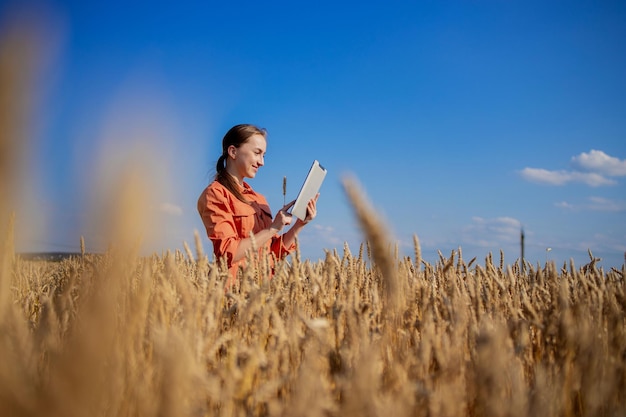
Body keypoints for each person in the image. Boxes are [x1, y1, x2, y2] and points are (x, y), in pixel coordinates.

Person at [197, 124, 318, 286]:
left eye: (264, 155)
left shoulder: (259, 199)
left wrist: (300, 224)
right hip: (235, 294)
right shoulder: (216, 194)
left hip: (264, 293)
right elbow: (228, 253)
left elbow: (274, 252)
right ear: (233, 152)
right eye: (257, 153)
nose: (262, 162)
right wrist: (272, 228)